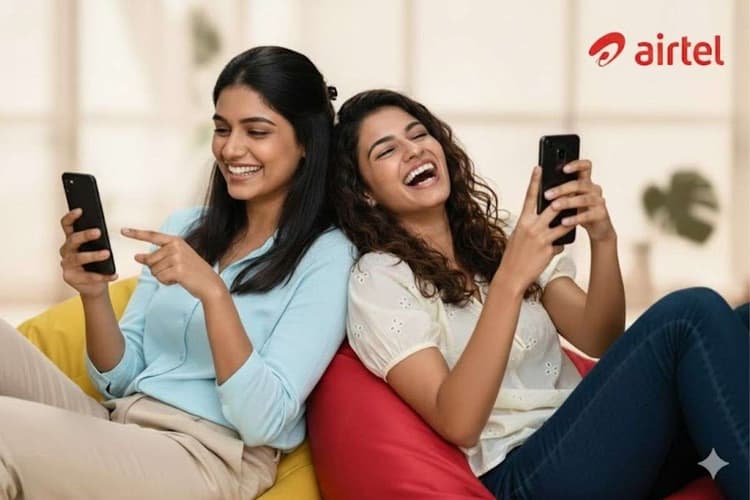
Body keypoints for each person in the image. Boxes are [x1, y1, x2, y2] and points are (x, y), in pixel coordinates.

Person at [329, 89, 749, 499]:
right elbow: (458, 422)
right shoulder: (380, 278)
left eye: (419, 134)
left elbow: (598, 338)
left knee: (743, 319)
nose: (413, 150)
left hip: (591, 439)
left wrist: (603, 238)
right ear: (364, 191)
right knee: (690, 312)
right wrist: (510, 281)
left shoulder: (499, 235)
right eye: (387, 151)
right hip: (525, 474)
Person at [0, 46, 354, 500]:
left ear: (306, 142)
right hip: (122, 424)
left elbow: (262, 420)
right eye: (222, 129)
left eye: (256, 131)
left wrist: (214, 294)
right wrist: (93, 294)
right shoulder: (187, 228)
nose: (231, 148)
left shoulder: (328, 256)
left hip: (207, 456)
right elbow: (119, 379)